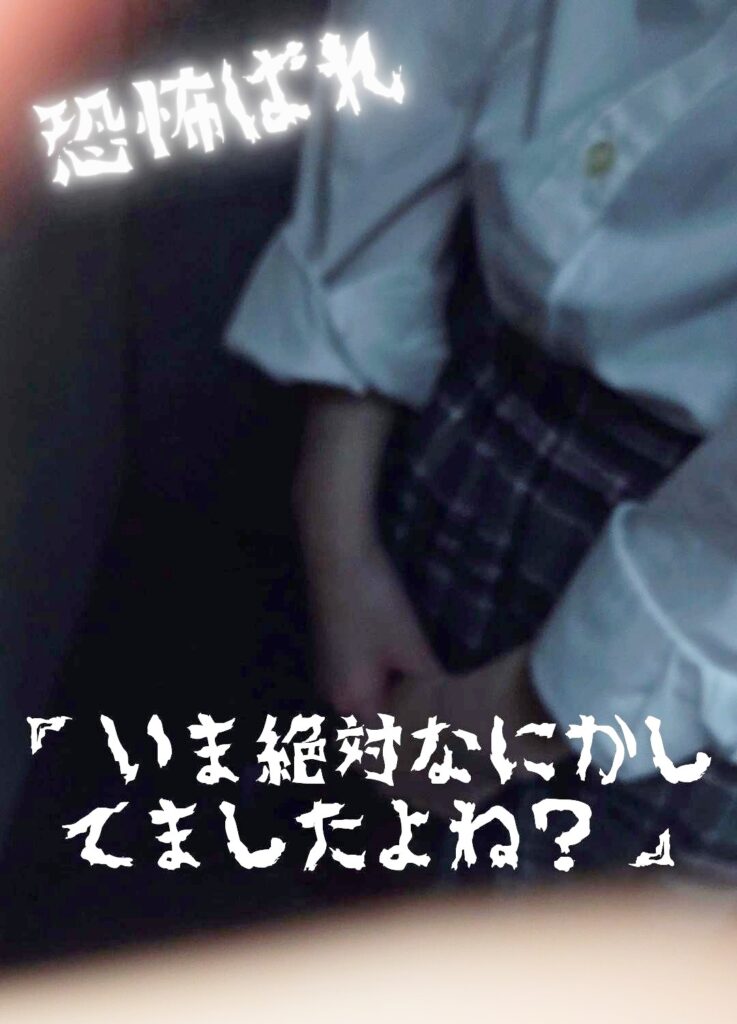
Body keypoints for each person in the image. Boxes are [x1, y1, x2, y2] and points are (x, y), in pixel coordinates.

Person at [225, 0, 737, 878]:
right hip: (458, 403)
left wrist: (519, 711)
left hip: (699, 621)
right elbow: (427, 29)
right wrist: (336, 508)